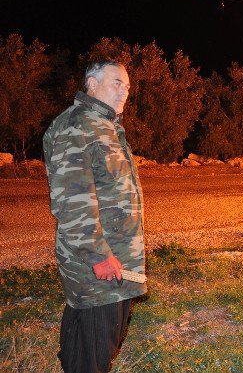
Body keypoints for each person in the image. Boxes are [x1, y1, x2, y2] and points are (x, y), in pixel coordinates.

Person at [43, 60, 147, 373]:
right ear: (92, 83)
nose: (125, 90)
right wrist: (97, 255)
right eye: (117, 82)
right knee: (95, 348)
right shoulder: (78, 125)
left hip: (116, 255)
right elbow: (73, 202)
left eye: (127, 85)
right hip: (97, 263)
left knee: (89, 338)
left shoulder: (106, 126)